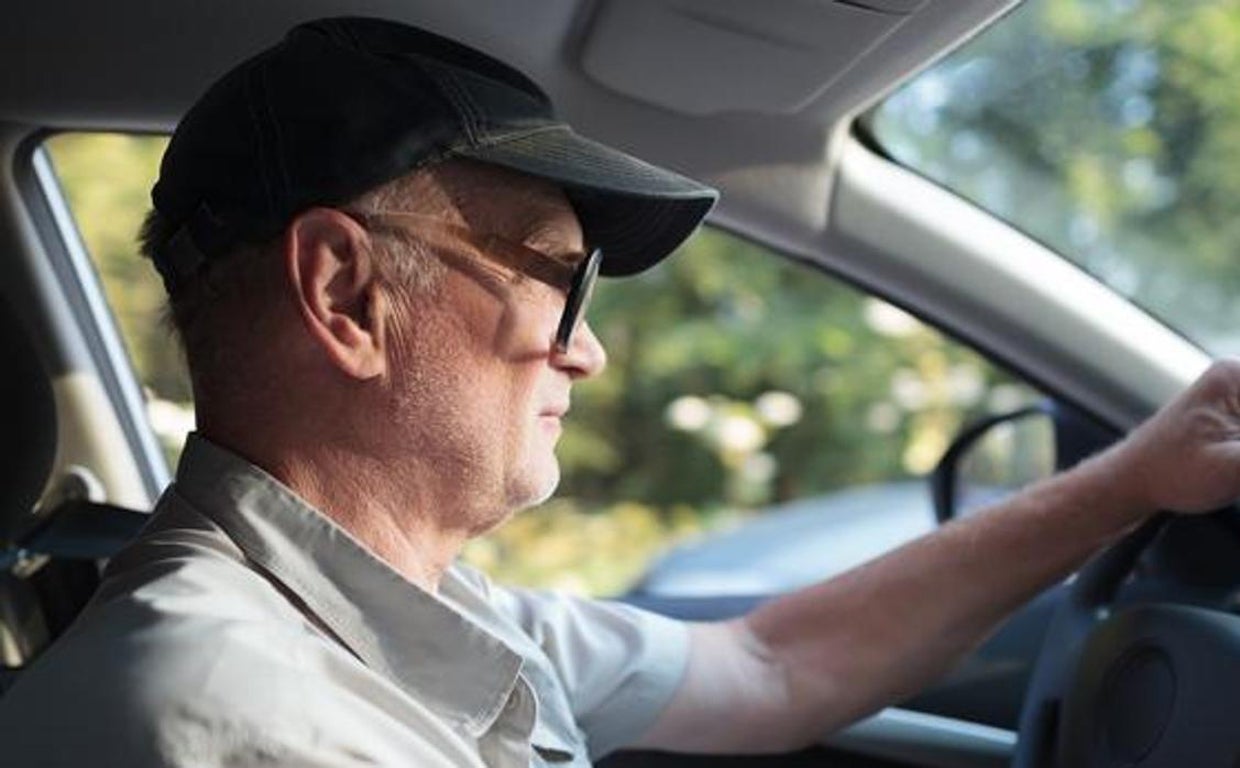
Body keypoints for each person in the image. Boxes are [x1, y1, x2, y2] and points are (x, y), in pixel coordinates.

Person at [4, 15, 1240, 767]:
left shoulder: (411, 613)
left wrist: (1135, 477)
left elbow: (772, 668)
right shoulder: (223, 717)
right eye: (558, 277)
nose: (585, 350)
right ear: (346, 296)